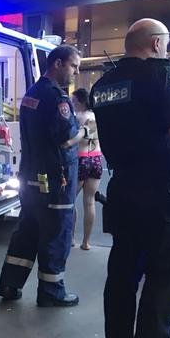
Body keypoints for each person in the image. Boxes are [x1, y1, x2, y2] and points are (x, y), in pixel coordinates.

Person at [91, 18, 170, 338]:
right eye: (167, 40)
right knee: (165, 281)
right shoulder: (164, 77)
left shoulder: (102, 86)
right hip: (163, 199)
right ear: (155, 44)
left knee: (122, 275)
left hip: (122, 194)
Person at [0, 45, 89, 307]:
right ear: (58, 64)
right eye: (73, 66)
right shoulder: (57, 99)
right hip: (56, 179)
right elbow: (65, 139)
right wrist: (83, 132)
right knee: (56, 233)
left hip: (30, 177)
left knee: (27, 230)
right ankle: (51, 292)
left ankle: (10, 284)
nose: (76, 72)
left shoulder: (32, 94)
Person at [72, 88, 102, 250]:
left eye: (74, 101)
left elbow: (72, 138)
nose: (73, 104)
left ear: (81, 102)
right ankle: (86, 242)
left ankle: (70, 238)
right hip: (96, 158)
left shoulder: (78, 117)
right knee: (89, 202)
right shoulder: (98, 116)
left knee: (70, 200)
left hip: (81, 159)